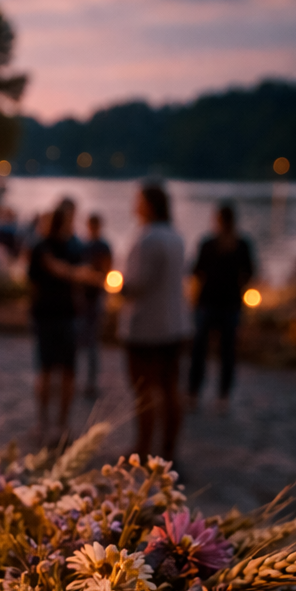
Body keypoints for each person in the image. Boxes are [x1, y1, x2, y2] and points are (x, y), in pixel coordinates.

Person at [119, 184, 190, 463]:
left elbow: (136, 284)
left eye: (137, 200)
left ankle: (143, 446)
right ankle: (170, 448)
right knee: (172, 389)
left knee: (144, 389)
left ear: (149, 204)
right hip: (175, 324)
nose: (133, 205)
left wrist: (117, 285)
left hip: (146, 327)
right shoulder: (176, 237)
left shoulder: (147, 239)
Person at [27, 198, 99, 444]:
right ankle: (52, 424)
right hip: (56, 315)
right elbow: (76, 276)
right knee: (54, 372)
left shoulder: (48, 246)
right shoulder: (57, 247)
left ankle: (51, 424)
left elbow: (34, 281)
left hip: (57, 315)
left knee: (56, 372)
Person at [188, 203, 255, 413]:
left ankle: (200, 394)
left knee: (214, 351)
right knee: (216, 352)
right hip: (220, 304)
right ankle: (213, 395)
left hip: (218, 304)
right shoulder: (224, 244)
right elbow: (249, 273)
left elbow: (196, 272)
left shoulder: (230, 244)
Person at [79, 213, 112, 398]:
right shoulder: (90, 245)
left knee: (90, 342)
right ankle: (85, 380)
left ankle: (90, 381)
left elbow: (107, 270)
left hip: (93, 298)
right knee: (87, 341)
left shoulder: (99, 246)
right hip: (86, 297)